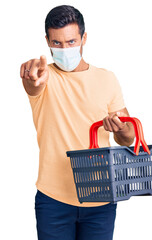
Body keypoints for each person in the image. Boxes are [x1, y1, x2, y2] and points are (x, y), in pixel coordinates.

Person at [20, 5, 135, 240]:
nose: (64, 49)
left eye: (71, 42)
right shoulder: (44, 76)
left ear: (84, 38)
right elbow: (33, 85)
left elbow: (129, 136)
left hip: (101, 198)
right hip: (53, 201)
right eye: (57, 43)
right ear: (47, 41)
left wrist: (121, 128)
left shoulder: (106, 78)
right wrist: (32, 77)